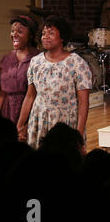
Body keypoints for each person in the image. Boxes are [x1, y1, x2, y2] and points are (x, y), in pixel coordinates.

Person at [16, 15, 92, 149]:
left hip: (65, 125)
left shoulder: (76, 63)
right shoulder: (36, 62)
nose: (45, 37)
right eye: (44, 33)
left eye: (51, 33)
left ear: (62, 37)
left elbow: (83, 102)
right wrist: (20, 125)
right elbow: (30, 96)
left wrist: (78, 135)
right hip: (39, 121)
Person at [0, 14, 39, 123]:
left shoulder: (38, 59)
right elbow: (2, 92)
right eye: (12, 31)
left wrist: (24, 125)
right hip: (7, 112)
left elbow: (35, 94)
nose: (14, 34)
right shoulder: (6, 59)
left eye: (20, 31)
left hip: (30, 110)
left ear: (30, 35)